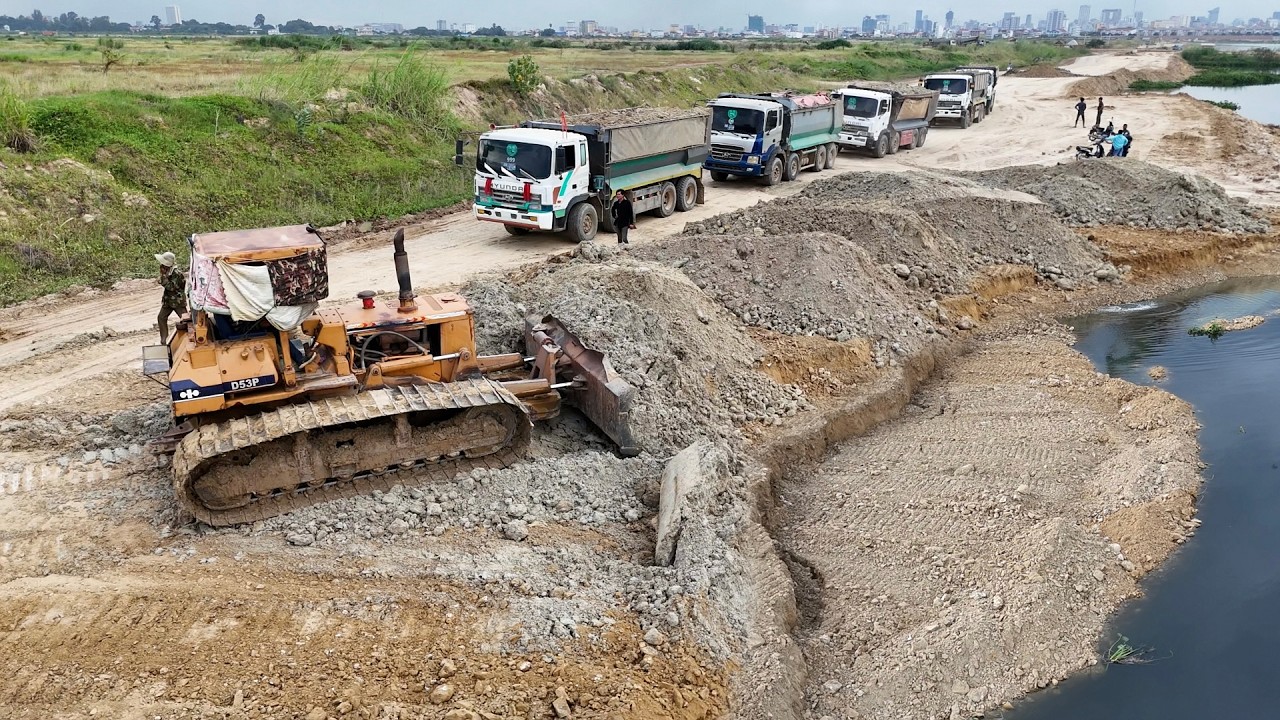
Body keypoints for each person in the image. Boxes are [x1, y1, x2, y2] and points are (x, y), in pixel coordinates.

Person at [155, 251, 186, 345]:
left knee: (185, 320)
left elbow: (172, 287)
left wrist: (163, 280)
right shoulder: (168, 272)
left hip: (177, 301)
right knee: (161, 318)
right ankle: (164, 340)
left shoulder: (176, 273)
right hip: (168, 301)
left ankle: (190, 337)